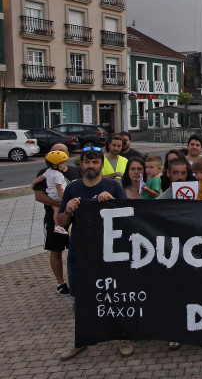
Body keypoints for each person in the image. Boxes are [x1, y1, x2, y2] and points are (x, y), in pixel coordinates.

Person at [57, 146, 131, 360]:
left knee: (115, 296)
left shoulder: (113, 186)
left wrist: (113, 203)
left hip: (109, 251)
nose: (91, 166)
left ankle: (122, 336)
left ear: (101, 164)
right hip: (80, 251)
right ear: (81, 165)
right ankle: (80, 340)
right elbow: (61, 222)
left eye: (95, 162)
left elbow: (129, 217)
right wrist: (68, 209)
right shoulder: (72, 189)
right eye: (87, 163)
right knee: (80, 299)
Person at [32, 143, 82, 296]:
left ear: (67, 154)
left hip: (76, 219)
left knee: (79, 250)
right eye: (54, 151)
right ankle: (61, 283)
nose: (58, 154)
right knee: (56, 249)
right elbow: (39, 195)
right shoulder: (45, 172)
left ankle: (80, 280)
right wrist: (61, 205)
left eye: (61, 151)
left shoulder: (76, 171)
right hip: (54, 218)